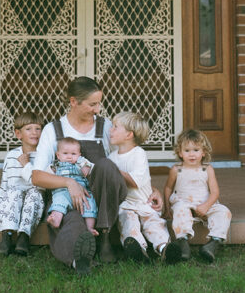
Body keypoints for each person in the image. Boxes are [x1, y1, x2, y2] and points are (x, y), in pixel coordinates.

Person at [32, 76, 164, 274]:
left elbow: (124, 163)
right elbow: (37, 177)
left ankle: (104, 237)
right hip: (69, 199)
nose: (98, 109)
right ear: (73, 102)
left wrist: (151, 189)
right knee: (72, 220)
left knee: (104, 165)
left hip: (103, 199)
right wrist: (69, 183)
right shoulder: (53, 130)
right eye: (92, 104)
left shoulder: (106, 127)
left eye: (99, 103)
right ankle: (80, 258)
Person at [108, 111, 184, 264]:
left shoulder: (138, 154)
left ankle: (165, 248)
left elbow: (134, 181)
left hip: (145, 203)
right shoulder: (112, 157)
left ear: (129, 135)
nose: (110, 130)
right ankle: (138, 251)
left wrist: (111, 169)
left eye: (115, 127)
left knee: (154, 224)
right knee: (128, 223)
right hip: (125, 205)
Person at [0, 112, 44, 256]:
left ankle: (23, 238)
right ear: (18, 134)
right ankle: (6, 237)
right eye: (29, 129)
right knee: (14, 192)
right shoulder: (11, 156)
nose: (34, 133)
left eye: (38, 128)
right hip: (15, 198)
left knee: (33, 193)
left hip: (35, 199)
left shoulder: (44, 156)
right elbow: (5, 184)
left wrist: (26, 165)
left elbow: (41, 185)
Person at [163, 128, 231, 262]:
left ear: (203, 152)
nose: (191, 154)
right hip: (184, 204)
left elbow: (215, 192)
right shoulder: (176, 170)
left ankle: (213, 244)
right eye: (187, 151)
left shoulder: (207, 169)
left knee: (224, 212)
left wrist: (206, 206)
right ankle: (183, 244)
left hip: (204, 205)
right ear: (180, 153)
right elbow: (168, 188)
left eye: (196, 150)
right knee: (180, 210)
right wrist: (166, 208)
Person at [46, 136, 97, 234]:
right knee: (59, 202)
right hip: (62, 192)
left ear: (79, 154)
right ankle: (55, 220)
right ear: (58, 155)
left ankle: (90, 227)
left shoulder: (81, 162)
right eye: (65, 153)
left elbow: (93, 168)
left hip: (82, 193)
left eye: (73, 154)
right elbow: (45, 176)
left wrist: (87, 168)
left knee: (90, 203)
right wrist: (50, 172)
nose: (69, 156)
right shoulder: (55, 166)